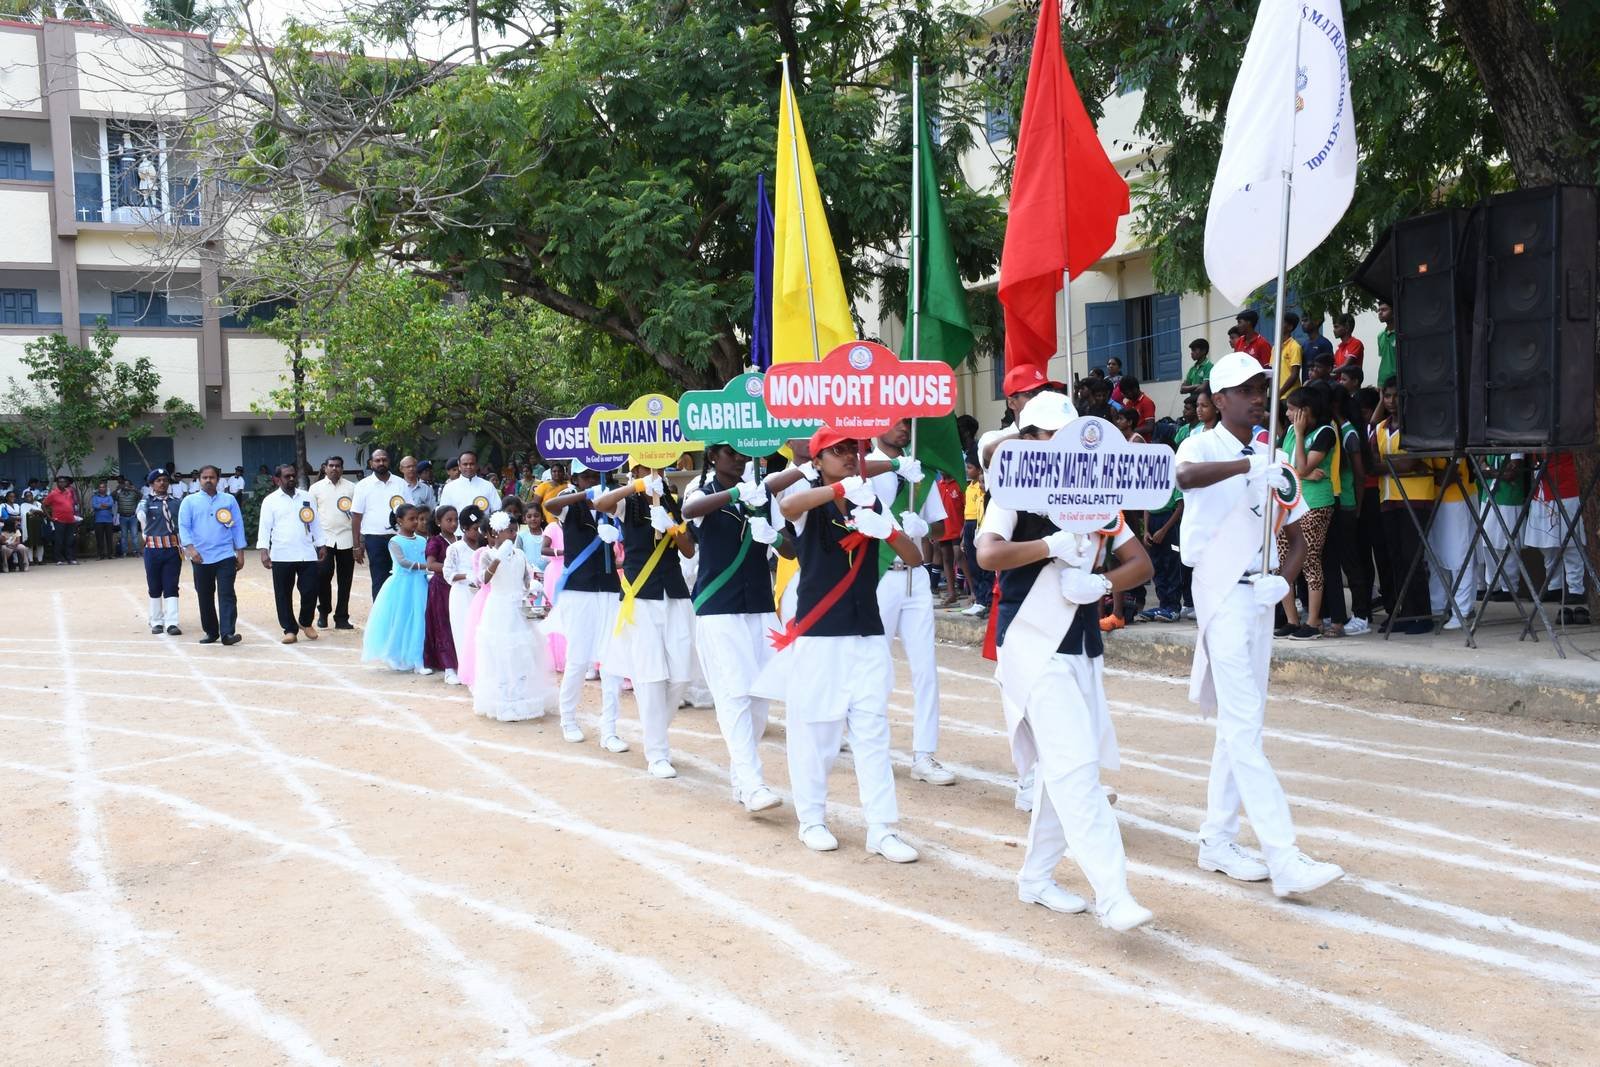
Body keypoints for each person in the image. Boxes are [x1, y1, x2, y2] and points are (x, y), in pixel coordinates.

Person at [976, 391, 1156, 931]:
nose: (1054, 444)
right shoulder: (1012, 492)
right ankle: (1113, 893)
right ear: (1026, 439)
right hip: (1032, 642)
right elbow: (986, 553)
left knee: (1064, 770)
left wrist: (1102, 581)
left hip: (1081, 646)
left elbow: (1140, 563)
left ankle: (1036, 877)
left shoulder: (1096, 495)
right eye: (1043, 435)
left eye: (1063, 434)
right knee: (1078, 770)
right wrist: (1049, 546)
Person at [1175, 351, 1344, 897]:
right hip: (1220, 589)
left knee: (1242, 722)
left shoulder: (1274, 455)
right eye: (1246, 389)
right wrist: (1250, 467)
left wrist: (1285, 581)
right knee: (1244, 723)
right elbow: (1184, 477)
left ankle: (1217, 840)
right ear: (1219, 399)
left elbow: (1295, 534)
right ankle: (1283, 855)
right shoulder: (1203, 444)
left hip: (1258, 592)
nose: (1257, 397)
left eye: (1262, 388)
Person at [765, 426, 923, 862]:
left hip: (867, 631)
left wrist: (889, 530)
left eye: (852, 450)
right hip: (821, 636)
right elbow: (787, 503)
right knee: (815, 731)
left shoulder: (869, 498)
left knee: (873, 731)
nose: (850, 457)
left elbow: (915, 558)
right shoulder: (810, 500)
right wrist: (837, 486)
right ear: (817, 462)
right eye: (837, 452)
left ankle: (882, 829)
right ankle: (812, 818)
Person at [680, 442, 786, 813]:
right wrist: (738, 493)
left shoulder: (763, 496)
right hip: (718, 607)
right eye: (732, 454)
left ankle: (742, 775)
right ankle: (753, 782)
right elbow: (690, 511)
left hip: (759, 604)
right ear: (713, 457)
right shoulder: (702, 491)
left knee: (759, 699)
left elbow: (789, 550)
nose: (740, 460)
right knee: (735, 694)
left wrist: (772, 534)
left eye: (744, 455)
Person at [592, 461, 697, 777]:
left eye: (656, 468)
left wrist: (673, 527)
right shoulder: (629, 500)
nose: (652, 473)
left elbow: (689, 551)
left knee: (680, 675)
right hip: (641, 596)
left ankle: (654, 731)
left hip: (674, 593)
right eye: (642, 468)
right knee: (650, 676)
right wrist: (637, 487)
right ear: (632, 470)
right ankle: (657, 754)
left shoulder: (670, 500)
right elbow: (600, 503)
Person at [866, 418, 954, 786]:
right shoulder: (865, 464)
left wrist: (921, 525)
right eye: (894, 421)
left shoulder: (920, 472)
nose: (903, 428)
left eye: (907, 422)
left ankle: (924, 755)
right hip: (880, 574)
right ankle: (872, 750)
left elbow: (938, 526)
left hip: (915, 575)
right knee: (874, 667)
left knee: (925, 669)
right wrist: (895, 466)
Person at [544, 461, 625, 746]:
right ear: (576, 479)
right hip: (579, 591)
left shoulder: (614, 504)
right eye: (585, 476)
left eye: (596, 476)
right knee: (578, 659)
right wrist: (587, 494)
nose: (591, 480)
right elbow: (552, 504)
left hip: (609, 589)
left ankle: (610, 729)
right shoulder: (572, 506)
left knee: (612, 661)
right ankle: (568, 719)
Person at [1273, 385, 1339, 640]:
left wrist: (1300, 436)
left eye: (1291, 410)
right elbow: (1282, 466)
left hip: (1315, 504)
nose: (1288, 415)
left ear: (1305, 411)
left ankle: (1313, 621)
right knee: (1282, 562)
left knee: (1310, 560)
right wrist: (1305, 473)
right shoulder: (1288, 430)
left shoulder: (1325, 432)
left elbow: (1298, 466)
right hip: (1288, 504)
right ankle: (1291, 620)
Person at [1374, 381, 1437, 634]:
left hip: (1415, 498)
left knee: (1413, 558)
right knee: (1396, 559)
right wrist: (1396, 464)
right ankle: (1403, 612)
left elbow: (1409, 465)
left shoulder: (1417, 426)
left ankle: (1422, 615)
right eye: (1386, 396)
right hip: (1388, 498)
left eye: (1395, 396)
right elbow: (1372, 465)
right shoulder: (1379, 428)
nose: (1390, 401)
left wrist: (1390, 465)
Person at [257, 463, 327, 644]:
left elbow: (315, 523)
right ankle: (289, 629)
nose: (291, 479)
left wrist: (321, 544)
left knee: (311, 590)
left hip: (306, 553)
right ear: (277, 479)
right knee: (283, 593)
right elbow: (264, 528)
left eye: (293, 476)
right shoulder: (270, 501)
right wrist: (264, 551)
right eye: (286, 476)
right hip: (282, 554)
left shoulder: (307, 497)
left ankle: (305, 622)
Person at [178, 465, 246, 645]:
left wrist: (240, 552)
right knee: (205, 595)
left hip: (225, 555)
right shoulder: (189, 502)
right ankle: (211, 631)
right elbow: (183, 527)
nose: (208, 481)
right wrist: (191, 550)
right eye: (205, 478)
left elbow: (237, 526)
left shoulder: (229, 500)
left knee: (227, 594)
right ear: (199, 480)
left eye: (212, 477)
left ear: (218, 479)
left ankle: (227, 633)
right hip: (200, 556)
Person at [361, 503, 430, 672]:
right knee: (401, 620)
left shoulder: (422, 540)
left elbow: (427, 557)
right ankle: (394, 654)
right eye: (411, 519)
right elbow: (403, 562)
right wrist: (426, 566)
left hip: (420, 584)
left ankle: (418, 659)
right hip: (402, 587)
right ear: (400, 520)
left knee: (419, 620)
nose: (415, 522)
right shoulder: (395, 541)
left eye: (417, 519)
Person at [1526, 452, 1587, 622]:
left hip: (1566, 487)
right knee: (1547, 544)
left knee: (1571, 544)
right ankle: (1554, 586)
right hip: (1542, 489)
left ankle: (1576, 589)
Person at [309, 455, 359, 629]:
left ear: (342, 469)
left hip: (347, 539)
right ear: (325, 468)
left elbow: (358, 515)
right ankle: (323, 612)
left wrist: (359, 542)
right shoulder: (315, 489)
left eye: (338, 466)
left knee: (345, 580)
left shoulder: (352, 488)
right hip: (325, 541)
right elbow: (310, 516)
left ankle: (342, 617)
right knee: (322, 578)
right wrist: (313, 540)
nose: (334, 469)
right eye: (331, 465)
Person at [350, 448, 404, 598]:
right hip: (375, 539)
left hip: (399, 538)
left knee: (400, 579)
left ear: (389, 461)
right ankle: (380, 618)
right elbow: (356, 517)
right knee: (380, 580)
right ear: (371, 463)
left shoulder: (401, 483)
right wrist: (356, 545)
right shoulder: (363, 485)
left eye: (384, 459)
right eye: (377, 460)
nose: (381, 463)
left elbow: (409, 512)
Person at [137, 470, 185, 635]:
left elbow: (184, 520)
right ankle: (156, 621)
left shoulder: (176, 502)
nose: (162, 483)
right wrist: (142, 516)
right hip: (153, 550)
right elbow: (141, 513)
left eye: (165, 480)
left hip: (172, 549)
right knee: (154, 586)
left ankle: (172, 622)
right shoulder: (146, 501)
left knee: (171, 586)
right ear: (152, 484)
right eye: (158, 480)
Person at [421, 505, 462, 682]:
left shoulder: (460, 540)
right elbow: (431, 564)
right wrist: (452, 570)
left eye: (456, 520)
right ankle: (448, 668)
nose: (453, 523)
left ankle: (460, 662)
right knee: (443, 625)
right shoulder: (435, 541)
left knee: (458, 624)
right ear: (438, 522)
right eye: (449, 520)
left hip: (458, 587)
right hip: (441, 588)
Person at [445, 506, 485, 682]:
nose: (478, 533)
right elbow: (448, 573)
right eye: (475, 529)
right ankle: (466, 671)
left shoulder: (484, 547)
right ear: (465, 529)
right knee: (463, 632)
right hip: (462, 594)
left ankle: (482, 669)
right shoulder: (456, 548)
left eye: (481, 529)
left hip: (481, 594)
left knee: (481, 631)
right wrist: (467, 576)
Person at [960, 455, 993, 618]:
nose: (981, 485)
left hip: (982, 528)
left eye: (969, 467)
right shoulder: (970, 488)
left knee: (984, 567)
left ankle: (986, 600)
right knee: (973, 564)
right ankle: (980, 600)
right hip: (970, 526)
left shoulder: (986, 495)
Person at [438, 450, 503, 516]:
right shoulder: (449, 488)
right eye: (465, 464)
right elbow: (444, 513)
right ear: (459, 465)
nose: (468, 467)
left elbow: (497, 510)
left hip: (483, 525)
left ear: (477, 465)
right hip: (458, 526)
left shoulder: (488, 486)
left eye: (472, 464)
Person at [44, 475, 79, 565]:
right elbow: (43, 505)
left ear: (66, 483)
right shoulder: (53, 493)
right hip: (59, 520)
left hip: (70, 520)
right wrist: (49, 517)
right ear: (57, 483)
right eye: (60, 482)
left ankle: (70, 558)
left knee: (70, 540)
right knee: (59, 540)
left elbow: (71, 504)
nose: (62, 483)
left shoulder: (69, 492)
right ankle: (58, 559)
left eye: (64, 482)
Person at [536, 460, 571, 524]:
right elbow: (535, 505)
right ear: (551, 473)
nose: (557, 473)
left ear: (564, 473)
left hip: (567, 521)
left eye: (559, 471)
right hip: (548, 523)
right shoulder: (543, 486)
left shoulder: (570, 485)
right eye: (554, 471)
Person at [88, 481, 116, 560]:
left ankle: (110, 555)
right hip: (98, 521)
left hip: (109, 521)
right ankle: (100, 555)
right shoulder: (95, 497)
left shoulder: (109, 497)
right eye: (100, 487)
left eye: (103, 487)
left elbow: (111, 504)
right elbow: (95, 506)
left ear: (106, 488)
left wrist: (101, 505)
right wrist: (105, 506)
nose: (102, 488)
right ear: (98, 489)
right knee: (99, 539)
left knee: (109, 538)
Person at [114, 477, 141, 557]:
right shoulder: (119, 493)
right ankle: (124, 552)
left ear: (130, 485)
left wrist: (134, 489)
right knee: (124, 536)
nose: (126, 486)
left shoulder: (134, 493)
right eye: (124, 485)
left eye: (128, 485)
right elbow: (111, 496)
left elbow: (142, 496)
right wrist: (118, 488)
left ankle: (136, 551)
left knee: (134, 535)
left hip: (133, 517)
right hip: (122, 517)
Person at [1277, 312, 1303, 392]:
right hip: (1276, 395)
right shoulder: (1275, 347)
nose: (1278, 324)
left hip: (1290, 395)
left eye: (1282, 322)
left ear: (1290, 327)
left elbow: (1294, 375)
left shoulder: (1295, 347)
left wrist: (1279, 393)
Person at [1374, 301, 1395, 392]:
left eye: (1384, 310)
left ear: (1394, 312)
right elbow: (1384, 359)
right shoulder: (1380, 336)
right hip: (1383, 381)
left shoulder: (1402, 334)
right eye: (1378, 310)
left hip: (1399, 380)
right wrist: (1380, 382)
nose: (1380, 313)